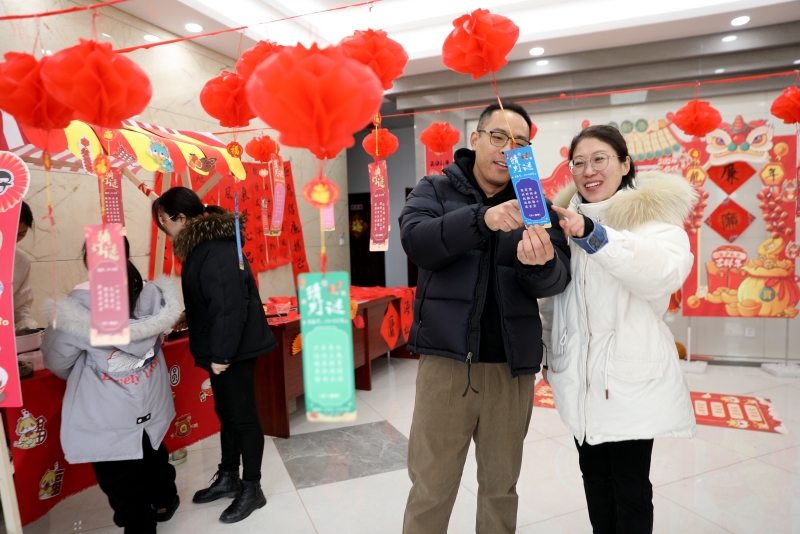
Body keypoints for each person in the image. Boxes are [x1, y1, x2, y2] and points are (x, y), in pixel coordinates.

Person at [399, 102, 571, 534]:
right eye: (498, 137)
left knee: (500, 488)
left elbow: (556, 279)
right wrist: (481, 218)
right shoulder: (435, 189)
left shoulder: (535, 201)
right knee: (431, 486)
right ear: (474, 139)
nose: (507, 149)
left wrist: (539, 264)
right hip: (446, 364)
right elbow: (417, 243)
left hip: (510, 371)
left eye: (520, 143)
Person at [546, 124, 697, 533]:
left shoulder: (654, 220)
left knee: (630, 488)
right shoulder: (562, 225)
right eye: (579, 162)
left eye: (600, 159)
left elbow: (662, 274)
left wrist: (595, 235)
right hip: (579, 379)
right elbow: (554, 301)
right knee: (594, 481)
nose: (589, 170)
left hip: (630, 381)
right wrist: (549, 354)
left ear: (625, 164)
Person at [152, 186, 278, 524]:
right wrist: (188, 316)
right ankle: (229, 475)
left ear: (181, 218)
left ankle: (252, 487)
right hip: (224, 345)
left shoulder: (215, 247)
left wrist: (222, 354)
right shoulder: (201, 246)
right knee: (227, 413)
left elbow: (229, 306)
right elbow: (210, 298)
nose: (164, 228)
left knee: (243, 417)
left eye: (164, 221)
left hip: (235, 348)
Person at [42, 238, 182, 534]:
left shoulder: (78, 305)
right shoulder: (151, 293)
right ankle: (165, 502)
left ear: (88, 260)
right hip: (150, 392)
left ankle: (141, 525)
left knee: (119, 471)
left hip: (108, 404)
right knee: (152, 446)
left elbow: (57, 359)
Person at [14, 201, 38, 330]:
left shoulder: (21, 259)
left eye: (21, 234)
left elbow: (20, 305)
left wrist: (27, 327)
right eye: (10, 232)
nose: (14, 239)